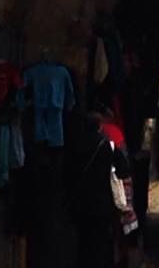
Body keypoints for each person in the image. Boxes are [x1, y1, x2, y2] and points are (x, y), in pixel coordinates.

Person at [66, 112, 115, 268]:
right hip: (101, 203)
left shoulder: (76, 145)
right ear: (99, 126)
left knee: (83, 242)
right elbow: (121, 168)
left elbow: (68, 173)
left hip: (80, 203)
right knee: (99, 243)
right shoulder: (105, 145)